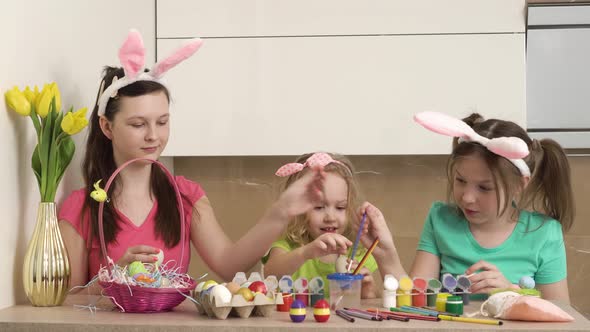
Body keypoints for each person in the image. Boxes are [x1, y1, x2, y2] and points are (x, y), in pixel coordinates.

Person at [58, 30, 325, 291]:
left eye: (162, 122)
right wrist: (115, 280)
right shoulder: (80, 208)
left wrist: (282, 211)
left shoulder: (185, 196)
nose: (153, 136)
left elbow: (230, 266)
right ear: (107, 127)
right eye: (138, 124)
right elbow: (68, 303)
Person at [361, 111, 574, 302]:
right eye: (460, 181)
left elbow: (562, 315)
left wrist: (511, 293)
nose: (468, 197)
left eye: (484, 187)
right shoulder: (440, 220)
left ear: (519, 185)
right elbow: (416, 300)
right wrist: (385, 254)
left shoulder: (545, 233)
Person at [262, 152, 405, 298]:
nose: (330, 217)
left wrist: (367, 291)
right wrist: (305, 253)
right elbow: (269, 274)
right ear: (298, 209)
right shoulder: (288, 247)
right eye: (318, 207)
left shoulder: (360, 253)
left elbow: (369, 304)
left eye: (340, 208)